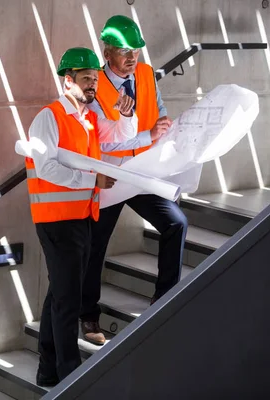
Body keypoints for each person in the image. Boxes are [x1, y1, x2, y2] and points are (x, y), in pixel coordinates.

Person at [25, 47, 138, 386]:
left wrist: (125, 113)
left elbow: (121, 137)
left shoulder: (88, 118)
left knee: (59, 294)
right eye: (87, 79)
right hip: (57, 220)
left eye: (95, 79)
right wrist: (93, 180)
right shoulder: (49, 117)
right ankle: (69, 378)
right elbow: (46, 168)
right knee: (68, 300)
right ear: (67, 80)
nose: (93, 84)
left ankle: (48, 371)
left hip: (81, 218)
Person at [80, 15, 189, 347]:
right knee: (95, 245)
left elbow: (157, 108)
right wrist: (145, 132)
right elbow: (102, 138)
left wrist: (164, 125)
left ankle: (164, 300)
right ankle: (87, 315)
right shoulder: (93, 83)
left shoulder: (144, 73)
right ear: (108, 50)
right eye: (125, 51)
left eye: (137, 52)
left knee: (176, 223)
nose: (132, 59)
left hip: (141, 172)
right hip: (109, 177)